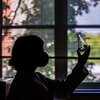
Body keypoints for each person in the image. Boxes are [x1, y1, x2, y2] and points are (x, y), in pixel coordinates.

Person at [6, 35, 90, 100]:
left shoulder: (37, 77)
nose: (44, 54)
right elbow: (63, 91)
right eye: (41, 50)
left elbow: (63, 89)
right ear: (30, 55)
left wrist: (80, 64)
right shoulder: (22, 85)